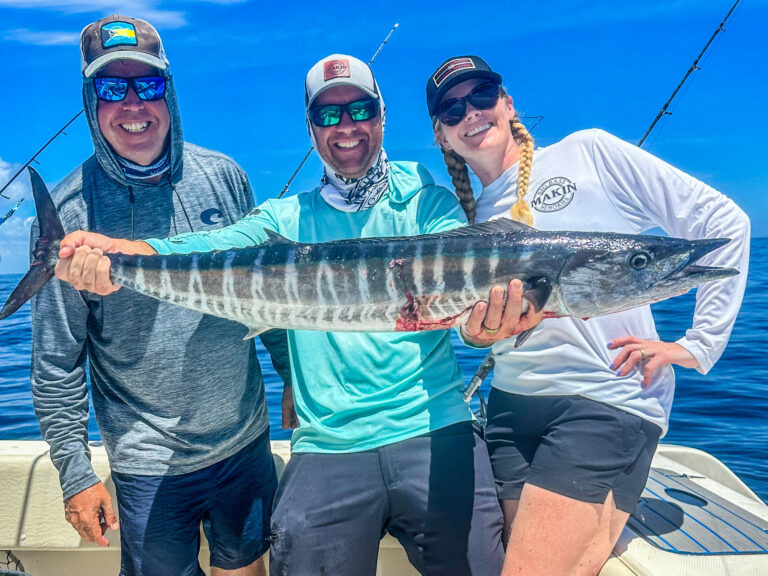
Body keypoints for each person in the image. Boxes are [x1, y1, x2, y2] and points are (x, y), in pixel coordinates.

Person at [55, 53, 544, 576]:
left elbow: (469, 312)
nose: (346, 126)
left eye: (359, 109)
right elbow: (213, 245)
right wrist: (126, 252)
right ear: (311, 129)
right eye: (328, 116)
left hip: (436, 429)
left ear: (381, 115)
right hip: (328, 446)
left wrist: (484, 328)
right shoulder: (282, 219)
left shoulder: (428, 203)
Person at [426, 55, 750, 576]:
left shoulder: (589, 153)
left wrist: (697, 344)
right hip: (511, 410)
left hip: (604, 399)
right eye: (451, 108)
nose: (471, 113)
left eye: (483, 95)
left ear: (507, 104)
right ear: (442, 135)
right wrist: (479, 333)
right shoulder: (463, 221)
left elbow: (724, 222)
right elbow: (473, 333)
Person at [31, 15, 290, 576]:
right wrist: (76, 473)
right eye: (110, 88)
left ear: (168, 92)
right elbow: (56, 364)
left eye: (146, 85)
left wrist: (292, 377)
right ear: (90, 99)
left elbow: (270, 297)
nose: (132, 104)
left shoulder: (225, 177)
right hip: (147, 464)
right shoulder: (69, 213)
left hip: (244, 441)